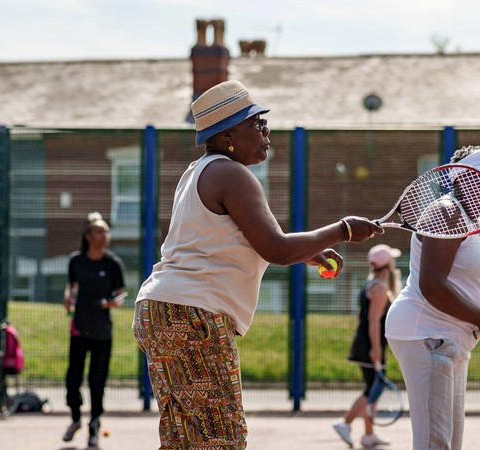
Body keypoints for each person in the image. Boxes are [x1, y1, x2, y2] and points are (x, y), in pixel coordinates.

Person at [132, 80, 382, 449]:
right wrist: (342, 229)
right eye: (256, 124)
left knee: (184, 439)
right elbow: (276, 248)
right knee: (222, 439)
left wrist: (308, 251)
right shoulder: (232, 175)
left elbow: (235, 241)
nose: (266, 131)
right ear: (227, 133)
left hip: (161, 309)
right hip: (193, 314)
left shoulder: (198, 171)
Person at [385, 145, 480, 450]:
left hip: (451, 338)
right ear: (462, 180)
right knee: (436, 444)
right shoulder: (446, 211)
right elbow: (431, 285)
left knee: (450, 444)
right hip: (426, 333)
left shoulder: (477, 224)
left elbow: (459, 282)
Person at [62, 212, 126, 447]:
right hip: (79, 330)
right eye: (100, 231)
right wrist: (68, 298)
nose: (104, 235)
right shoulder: (76, 261)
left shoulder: (113, 264)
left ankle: (95, 424)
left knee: (97, 381)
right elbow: (71, 287)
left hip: (102, 333)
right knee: (72, 380)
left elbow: (120, 294)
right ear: (88, 236)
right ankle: (76, 419)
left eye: (107, 231)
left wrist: (111, 302)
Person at [333, 244, 402, 448]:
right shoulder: (380, 287)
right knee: (373, 388)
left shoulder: (371, 283)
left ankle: (369, 434)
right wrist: (375, 348)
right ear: (388, 264)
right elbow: (373, 320)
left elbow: (362, 316)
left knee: (374, 387)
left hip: (367, 342)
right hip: (371, 345)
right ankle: (344, 423)